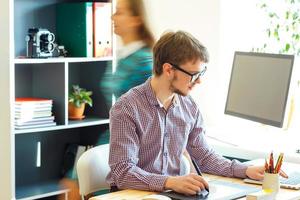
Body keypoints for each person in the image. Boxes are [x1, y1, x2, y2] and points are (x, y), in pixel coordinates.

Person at [107, 31, 268, 196]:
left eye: (201, 73)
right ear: (168, 70)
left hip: (172, 193)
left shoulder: (189, 107)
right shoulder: (126, 108)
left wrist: (246, 170)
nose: (199, 81)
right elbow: (123, 172)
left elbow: (204, 157)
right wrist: (170, 182)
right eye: (194, 74)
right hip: (133, 195)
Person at [100, 0, 154, 103]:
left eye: (119, 12)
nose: (112, 17)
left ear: (136, 20)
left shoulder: (144, 62)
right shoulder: (123, 55)